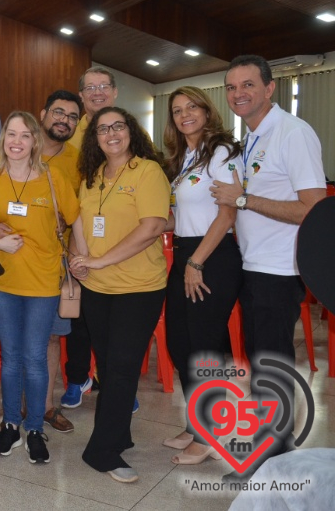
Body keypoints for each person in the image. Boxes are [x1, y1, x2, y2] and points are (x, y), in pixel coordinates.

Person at [210, 54, 325, 476]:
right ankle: (265, 453)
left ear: (270, 88)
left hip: (279, 269)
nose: (238, 94)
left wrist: (242, 199)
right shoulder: (253, 136)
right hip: (253, 264)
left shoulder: (291, 133)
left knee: (271, 366)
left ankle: (272, 462)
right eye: (231, 87)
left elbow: (314, 209)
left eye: (248, 85)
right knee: (261, 365)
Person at [69, 107, 169, 484]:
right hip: (98, 288)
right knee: (108, 367)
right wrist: (82, 259)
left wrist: (99, 261)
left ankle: (102, 451)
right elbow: (81, 220)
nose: (111, 134)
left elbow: (152, 227)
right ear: (94, 138)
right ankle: (121, 434)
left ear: (131, 131)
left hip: (138, 288)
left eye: (118, 127)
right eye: (102, 129)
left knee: (124, 368)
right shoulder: (93, 177)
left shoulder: (147, 171)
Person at [0, 111, 79, 464]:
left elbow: (75, 221)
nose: (16, 142)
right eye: (11, 134)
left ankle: (35, 427)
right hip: (3, 281)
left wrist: (81, 263)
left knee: (35, 357)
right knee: (10, 357)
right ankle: (10, 424)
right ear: (3, 140)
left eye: (24, 135)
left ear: (35, 140)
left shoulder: (54, 178)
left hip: (43, 282)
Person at [161, 86, 244, 465]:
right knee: (180, 343)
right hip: (186, 252)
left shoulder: (222, 152)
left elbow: (227, 214)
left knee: (203, 347)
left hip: (212, 256)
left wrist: (195, 263)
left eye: (191, 107)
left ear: (207, 111)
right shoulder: (186, 157)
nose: (184, 115)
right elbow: (183, 214)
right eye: (177, 111)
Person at [62, 68, 121, 412]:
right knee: (79, 317)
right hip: (79, 236)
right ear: (81, 96)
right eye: (90, 88)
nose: (97, 92)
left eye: (103, 86)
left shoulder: (131, 129)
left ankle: (118, 382)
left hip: (119, 239)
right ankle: (77, 378)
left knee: (115, 319)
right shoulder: (71, 132)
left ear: (114, 91)